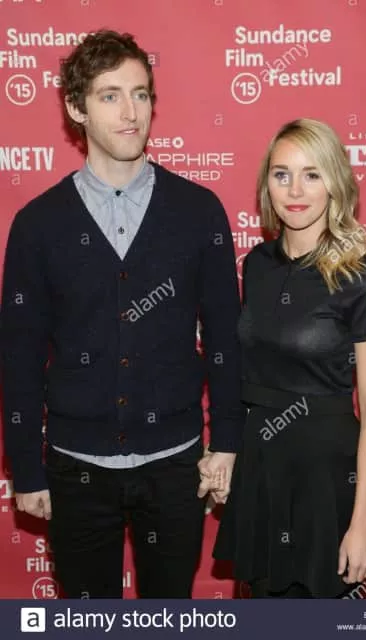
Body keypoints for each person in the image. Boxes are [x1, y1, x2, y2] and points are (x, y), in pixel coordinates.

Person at [0, 29, 244, 599]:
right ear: (76, 107)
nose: (131, 112)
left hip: (176, 464)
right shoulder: (37, 225)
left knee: (169, 616)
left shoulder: (198, 211)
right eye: (110, 96)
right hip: (75, 467)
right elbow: (20, 357)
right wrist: (26, 468)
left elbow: (225, 338)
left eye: (140, 94)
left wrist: (228, 440)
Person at [212, 118, 366, 598]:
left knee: (325, 618)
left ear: (335, 183)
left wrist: (362, 523)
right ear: (267, 184)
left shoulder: (362, 281)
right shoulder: (256, 265)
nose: (295, 190)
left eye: (312, 174)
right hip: (263, 469)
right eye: (282, 174)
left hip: (328, 478)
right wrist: (229, 455)